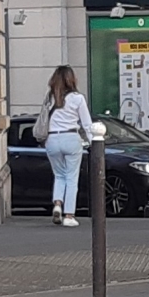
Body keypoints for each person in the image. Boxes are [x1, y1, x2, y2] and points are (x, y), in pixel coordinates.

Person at [41, 65, 90, 227]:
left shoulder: (50, 98)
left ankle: (57, 204)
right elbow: (87, 124)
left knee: (59, 175)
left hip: (52, 139)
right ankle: (69, 215)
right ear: (72, 79)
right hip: (71, 138)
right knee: (71, 177)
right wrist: (92, 142)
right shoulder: (77, 98)